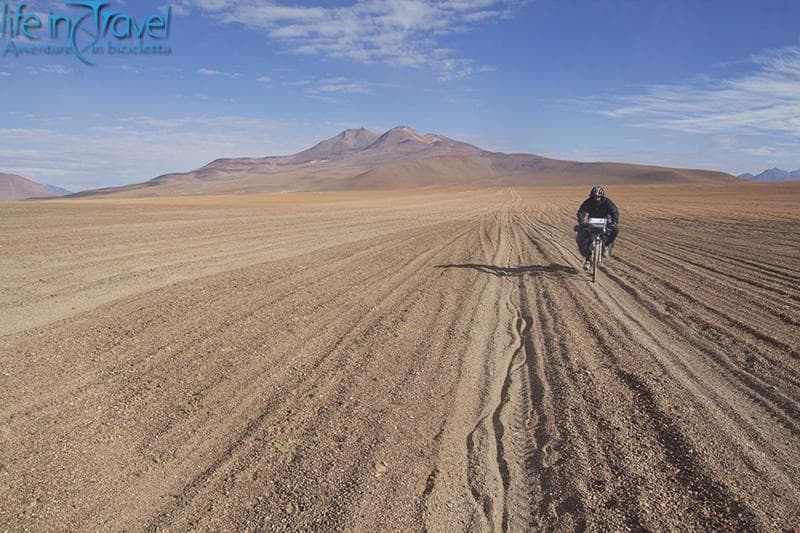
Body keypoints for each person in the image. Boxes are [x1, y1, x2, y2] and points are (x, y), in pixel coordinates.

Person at [575, 185, 619, 270]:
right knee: (582, 237)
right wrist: (581, 220)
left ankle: (605, 246)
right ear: (591, 196)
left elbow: (614, 212)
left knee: (614, 231)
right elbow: (581, 211)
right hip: (591, 222)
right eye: (595, 197)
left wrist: (614, 222)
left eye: (599, 197)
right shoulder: (588, 202)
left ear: (602, 196)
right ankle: (588, 259)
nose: (597, 199)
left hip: (605, 222)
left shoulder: (607, 202)